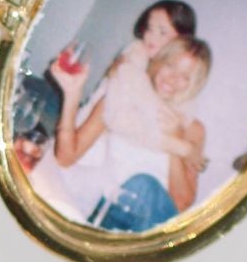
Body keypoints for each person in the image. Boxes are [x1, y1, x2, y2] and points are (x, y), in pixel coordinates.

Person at [49, 34, 212, 233]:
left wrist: (175, 138)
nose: (172, 79)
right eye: (170, 65)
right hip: (110, 210)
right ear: (159, 61)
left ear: (195, 85)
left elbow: (181, 204)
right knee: (139, 187)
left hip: (150, 224)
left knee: (144, 186)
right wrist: (72, 93)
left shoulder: (193, 130)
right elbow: (66, 157)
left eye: (185, 77)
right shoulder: (122, 101)